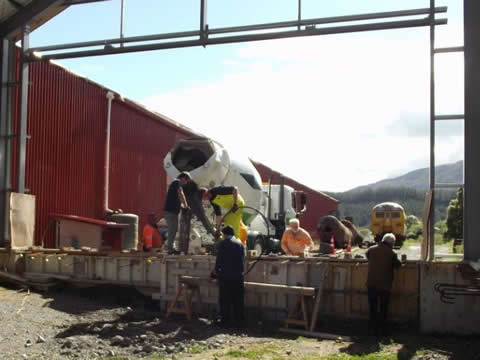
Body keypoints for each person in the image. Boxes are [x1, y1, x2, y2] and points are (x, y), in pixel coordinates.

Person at [365, 233, 403, 336]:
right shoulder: (392, 253)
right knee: (383, 308)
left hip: (371, 283)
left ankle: (371, 329)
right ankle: (382, 330)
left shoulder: (371, 249)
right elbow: (397, 266)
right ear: (392, 243)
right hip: (385, 285)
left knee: (372, 307)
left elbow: (367, 256)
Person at [211, 225, 245, 328]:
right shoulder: (240, 244)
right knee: (238, 300)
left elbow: (219, 260)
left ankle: (225, 320)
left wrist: (215, 272)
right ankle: (239, 321)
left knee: (225, 299)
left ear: (225, 234)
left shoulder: (223, 244)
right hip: (238, 276)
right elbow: (242, 259)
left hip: (225, 276)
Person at [163, 172, 191, 255]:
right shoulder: (177, 182)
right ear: (183, 178)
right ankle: (170, 249)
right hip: (170, 212)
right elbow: (181, 193)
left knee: (173, 230)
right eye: (186, 181)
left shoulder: (175, 184)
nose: (186, 183)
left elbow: (178, 198)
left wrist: (183, 205)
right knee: (173, 230)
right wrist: (186, 206)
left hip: (171, 212)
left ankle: (171, 247)